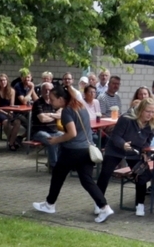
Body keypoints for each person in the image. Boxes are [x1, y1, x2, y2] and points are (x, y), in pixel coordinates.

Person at [31, 84, 108, 221]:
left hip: (73, 150)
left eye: (53, 99)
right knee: (87, 180)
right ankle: (104, 207)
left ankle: (50, 204)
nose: (51, 102)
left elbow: (72, 133)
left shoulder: (67, 111)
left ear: (61, 99)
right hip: (87, 149)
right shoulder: (80, 105)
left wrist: (56, 140)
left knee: (58, 175)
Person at [96, 98, 154, 220]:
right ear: (140, 110)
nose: (150, 114)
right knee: (105, 174)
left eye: (152, 111)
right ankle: (99, 203)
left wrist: (145, 152)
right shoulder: (126, 119)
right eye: (147, 111)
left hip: (134, 152)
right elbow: (115, 136)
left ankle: (140, 204)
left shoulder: (152, 125)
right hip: (115, 150)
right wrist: (123, 144)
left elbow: (147, 142)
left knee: (141, 174)